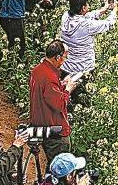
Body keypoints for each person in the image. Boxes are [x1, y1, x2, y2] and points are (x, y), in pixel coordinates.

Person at [26, 40, 79, 168]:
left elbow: (45, 93)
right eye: (65, 57)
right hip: (54, 129)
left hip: (39, 124)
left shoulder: (38, 70)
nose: (65, 61)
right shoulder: (50, 76)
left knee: (52, 165)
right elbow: (59, 104)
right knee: (59, 168)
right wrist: (68, 90)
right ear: (57, 57)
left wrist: (60, 85)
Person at [56, 0, 118, 77]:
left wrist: (104, 9)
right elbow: (109, 23)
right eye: (87, 4)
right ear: (83, 8)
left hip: (66, 66)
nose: (88, 6)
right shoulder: (87, 25)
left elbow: (84, 16)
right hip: (83, 69)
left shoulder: (65, 16)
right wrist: (115, 10)